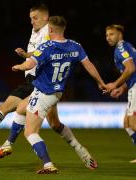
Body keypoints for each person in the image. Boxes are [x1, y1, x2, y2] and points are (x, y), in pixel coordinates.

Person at [0, 4, 97, 170]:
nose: (32, 21)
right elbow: (41, 51)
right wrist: (27, 54)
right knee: (54, 123)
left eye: (35, 18)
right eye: (30, 18)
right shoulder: (37, 30)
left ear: (47, 18)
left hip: (37, 80)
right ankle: (81, 152)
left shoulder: (48, 31)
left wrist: (23, 64)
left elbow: (49, 50)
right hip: (43, 83)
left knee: (8, 108)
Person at [11, 15, 106, 174]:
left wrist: (20, 66)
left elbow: (31, 63)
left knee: (30, 132)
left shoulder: (46, 46)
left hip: (43, 93)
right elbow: (88, 65)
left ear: (50, 29)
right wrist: (100, 82)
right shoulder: (75, 46)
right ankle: (80, 150)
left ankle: (48, 165)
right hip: (57, 92)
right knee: (33, 114)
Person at [105, 24, 136, 163]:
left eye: (111, 34)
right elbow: (129, 72)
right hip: (131, 86)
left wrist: (115, 84)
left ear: (120, 34)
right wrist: (122, 88)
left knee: (133, 123)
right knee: (127, 124)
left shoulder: (121, 47)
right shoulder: (125, 47)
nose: (108, 38)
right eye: (107, 35)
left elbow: (131, 68)